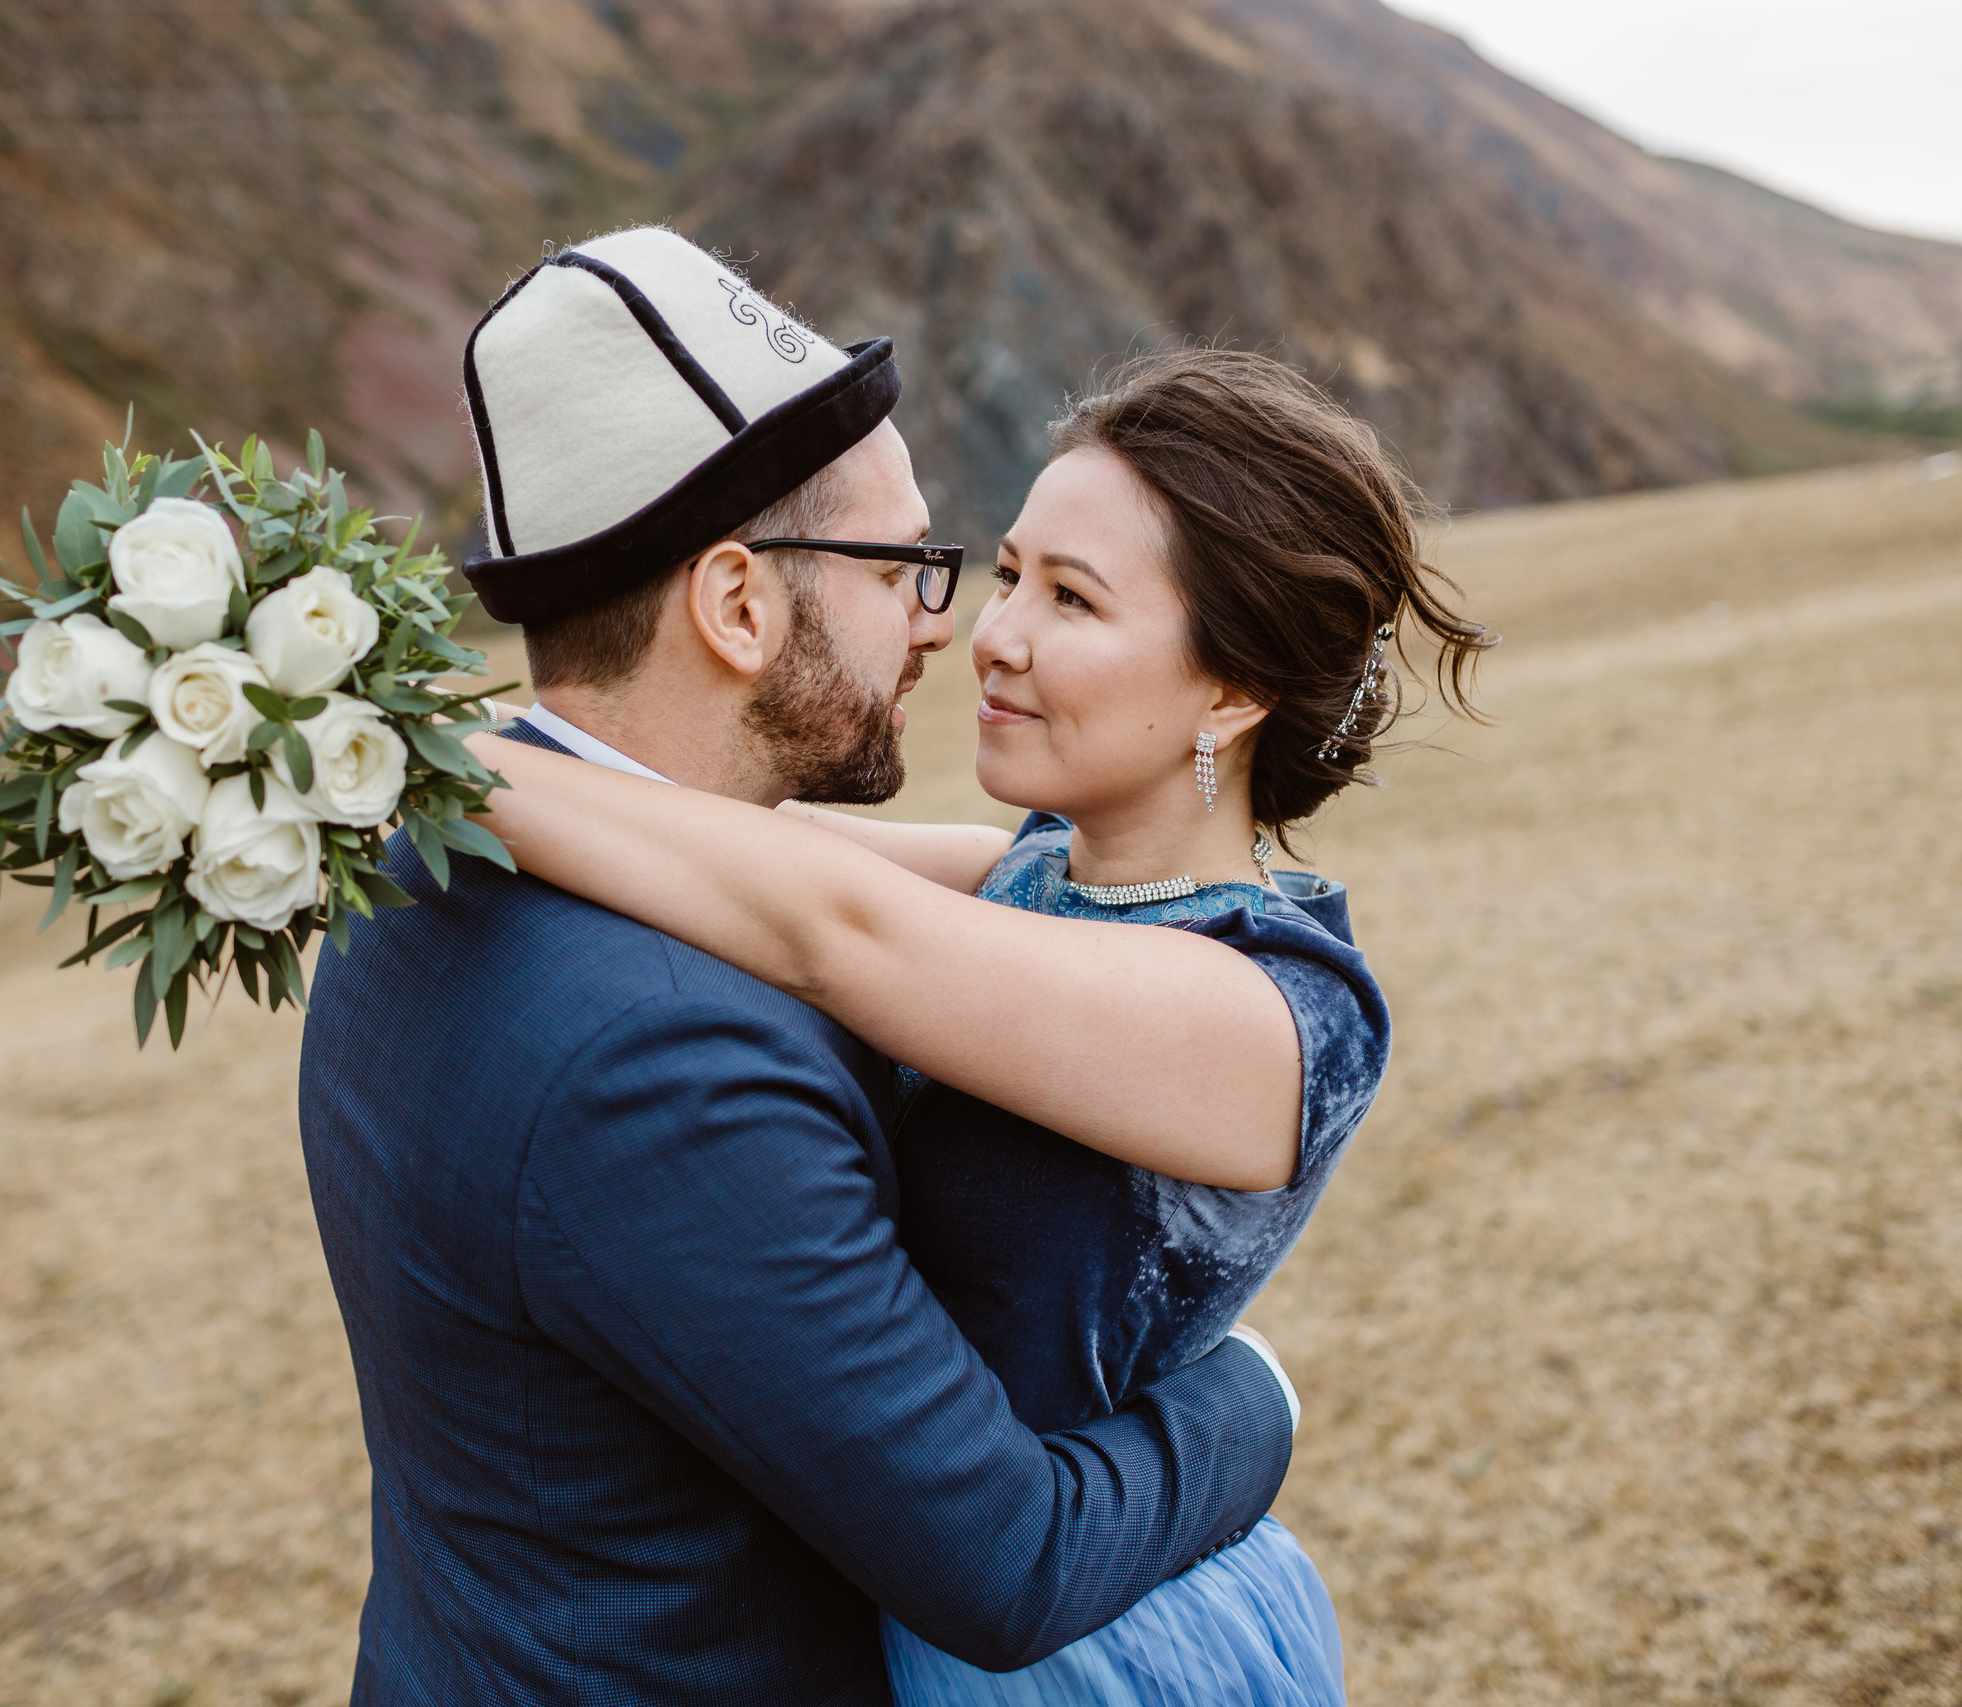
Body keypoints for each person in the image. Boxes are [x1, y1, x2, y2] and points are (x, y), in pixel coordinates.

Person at [298, 228, 1303, 1707]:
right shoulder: (659, 1063)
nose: (945, 624)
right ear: (737, 605)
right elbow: (1005, 1561)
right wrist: (1252, 1399)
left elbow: (927, 895)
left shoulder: (427, 858)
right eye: (907, 566)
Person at [457, 346, 1494, 1705]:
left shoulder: (1270, 1011)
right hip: (965, 1612)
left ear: (1233, 690)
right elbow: (733, 844)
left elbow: (829, 926)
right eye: (1012, 573)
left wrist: (427, 761)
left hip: (1097, 1645)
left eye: (1072, 599)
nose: (995, 635)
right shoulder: (1032, 871)